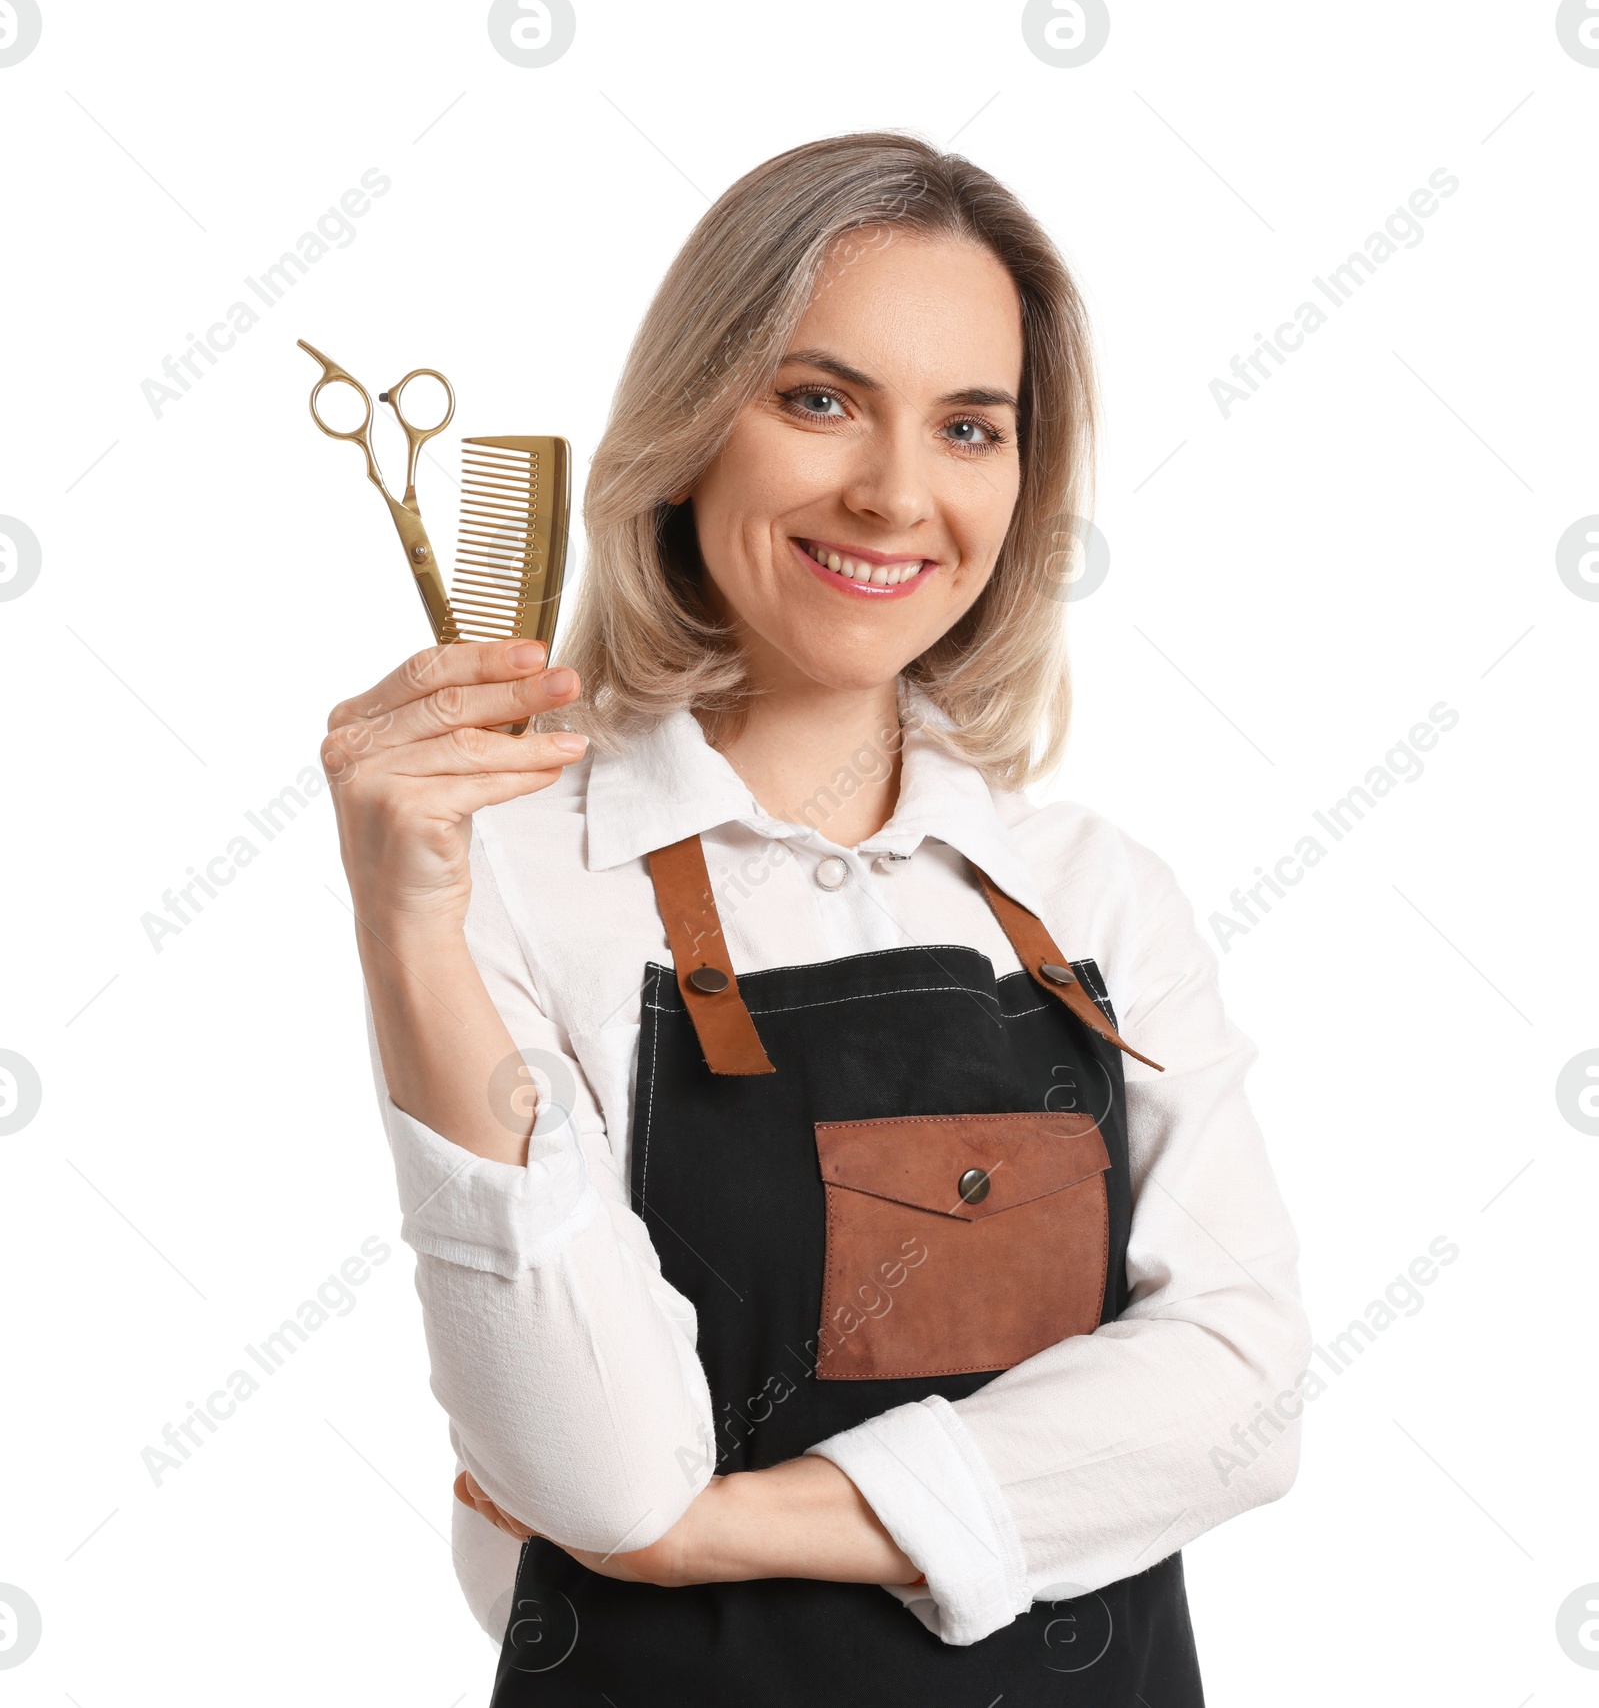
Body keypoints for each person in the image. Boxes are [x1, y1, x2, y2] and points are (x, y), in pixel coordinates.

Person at [324, 131, 1311, 1705]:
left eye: (970, 426)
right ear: (693, 426)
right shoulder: (515, 879)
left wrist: (716, 1533)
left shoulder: (1101, 894)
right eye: (819, 397)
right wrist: (406, 931)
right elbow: (595, 1472)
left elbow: (1241, 1395)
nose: (897, 493)